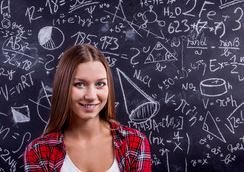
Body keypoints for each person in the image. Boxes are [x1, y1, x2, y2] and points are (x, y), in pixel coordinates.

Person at [23, 44, 151, 172]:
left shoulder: (134, 143)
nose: (91, 96)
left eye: (100, 84)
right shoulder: (38, 152)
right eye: (80, 84)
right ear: (63, 88)